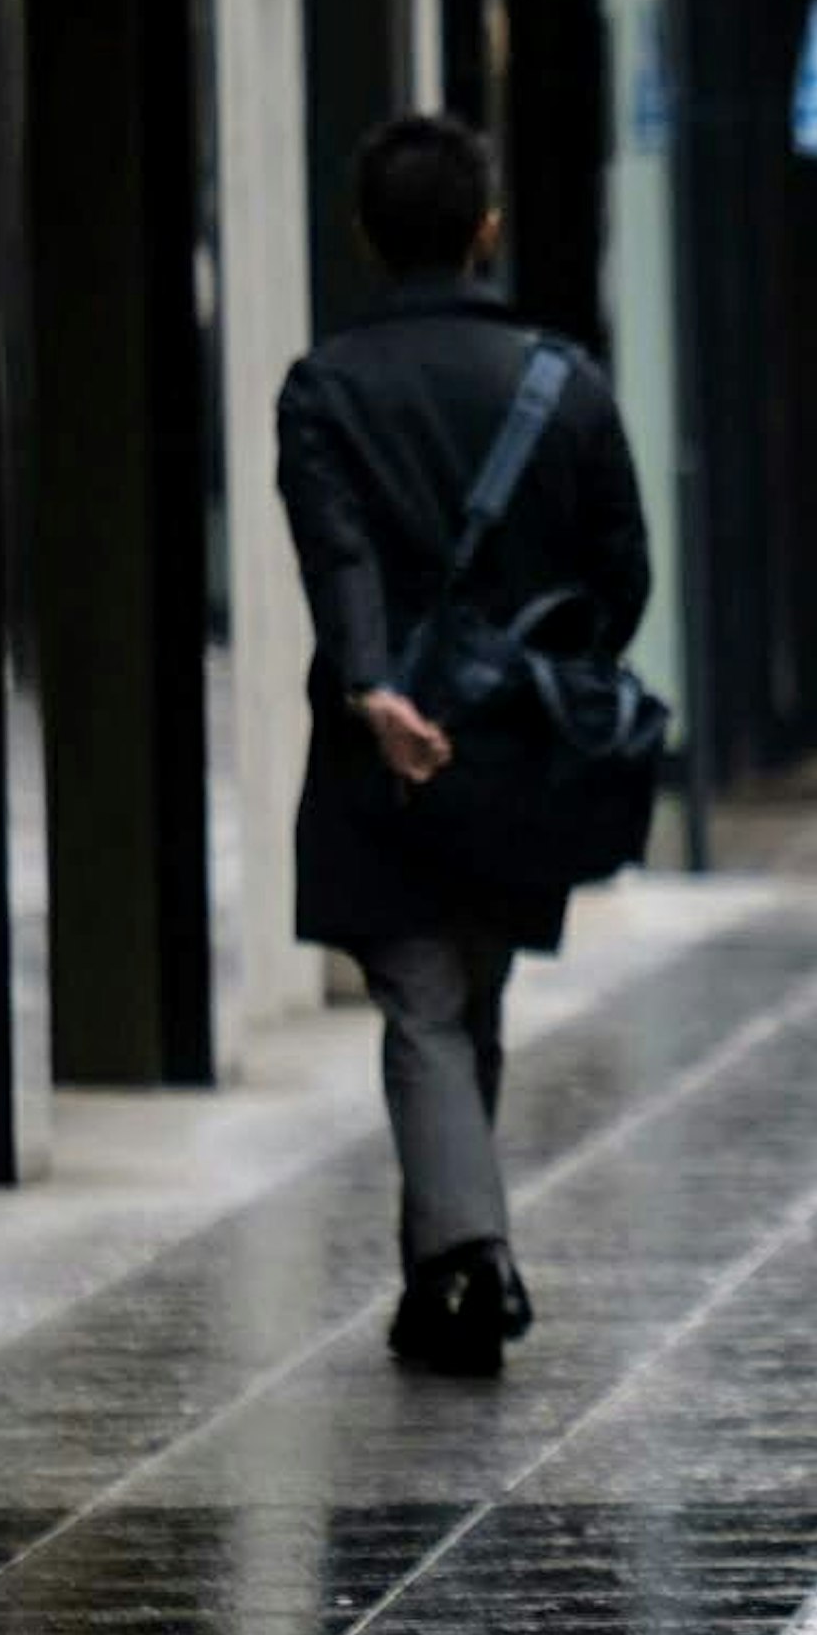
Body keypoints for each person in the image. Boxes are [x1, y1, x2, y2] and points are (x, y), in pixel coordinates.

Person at [274, 116, 652, 1381]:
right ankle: (453, 1260)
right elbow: (623, 572)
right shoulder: (564, 382)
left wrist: (379, 688)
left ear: (366, 237)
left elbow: (337, 556)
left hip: (390, 747)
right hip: (514, 746)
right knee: (457, 991)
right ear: (486, 227)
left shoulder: (325, 387)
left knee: (433, 999)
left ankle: (459, 1258)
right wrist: (546, 673)